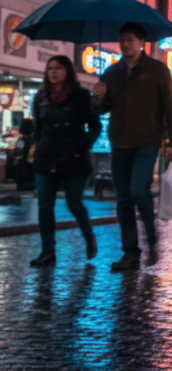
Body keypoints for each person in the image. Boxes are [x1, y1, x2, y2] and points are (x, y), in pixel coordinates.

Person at [92, 23, 172, 272]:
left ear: (141, 42)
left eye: (130, 40)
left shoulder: (157, 70)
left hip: (147, 141)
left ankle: (151, 231)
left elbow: (171, 108)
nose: (125, 44)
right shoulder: (111, 72)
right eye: (122, 40)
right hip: (119, 141)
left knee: (138, 190)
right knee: (122, 201)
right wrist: (97, 98)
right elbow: (101, 108)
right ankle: (130, 252)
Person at [28, 55, 101, 266]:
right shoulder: (40, 97)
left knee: (75, 204)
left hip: (74, 161)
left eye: (58, 68)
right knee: (44, 205)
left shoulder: (81, 96)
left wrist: (82, 146)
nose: (53, 72)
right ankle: (48, 251)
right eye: (50, 68)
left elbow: (95, 126)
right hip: (45, 158)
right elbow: (38, 128)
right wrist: (36, 145)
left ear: (68, 71)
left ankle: (89, 236)